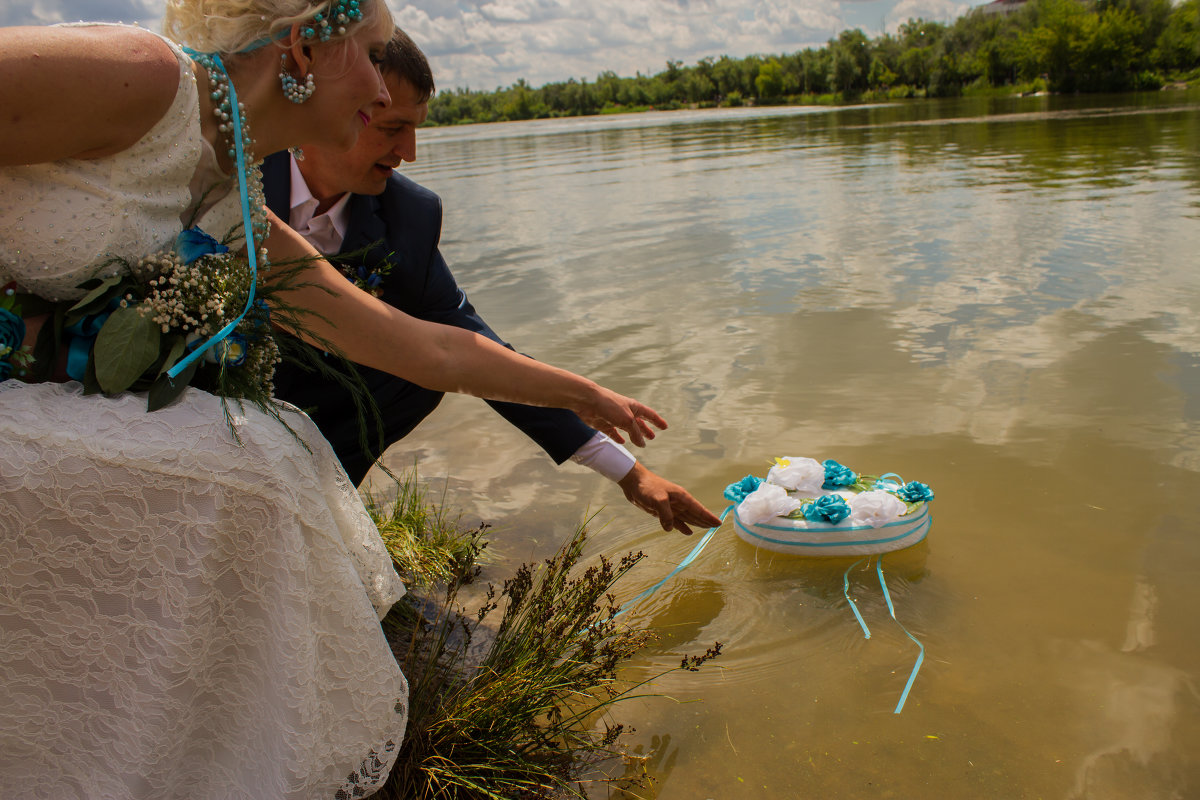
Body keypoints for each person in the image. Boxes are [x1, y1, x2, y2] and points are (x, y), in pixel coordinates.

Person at [0, 2, 675, 797]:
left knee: (269, 451)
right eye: (374, 54)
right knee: (244, 459)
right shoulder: (144, 76)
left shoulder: (233, 203)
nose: (383, 98)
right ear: (303, 45)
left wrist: (590, 394)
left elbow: (426, 346)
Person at [265, 29, 722, 535]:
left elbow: (475, 347)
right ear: (339, 104)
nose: (409, 153)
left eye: (416, 129)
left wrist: (629, 473)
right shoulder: (234, 176)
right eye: (393, 127)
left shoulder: (408, 216)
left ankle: (317, 506)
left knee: (417, 377)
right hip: (194, 402)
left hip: (314, 419)